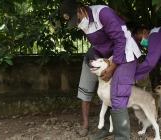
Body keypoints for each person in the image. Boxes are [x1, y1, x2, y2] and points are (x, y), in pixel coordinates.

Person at [60, 0, 142, 139]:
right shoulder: (84, 23)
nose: (78, 24)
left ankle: (122, 137)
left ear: (81, 9)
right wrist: (104, 67)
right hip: (109, 57)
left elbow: (120, 40)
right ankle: (106, 128)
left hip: (126, 53)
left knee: (117, 92)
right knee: (106, 93)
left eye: (77, 19)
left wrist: (112, 67)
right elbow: (99, 46)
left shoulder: (103, 13)